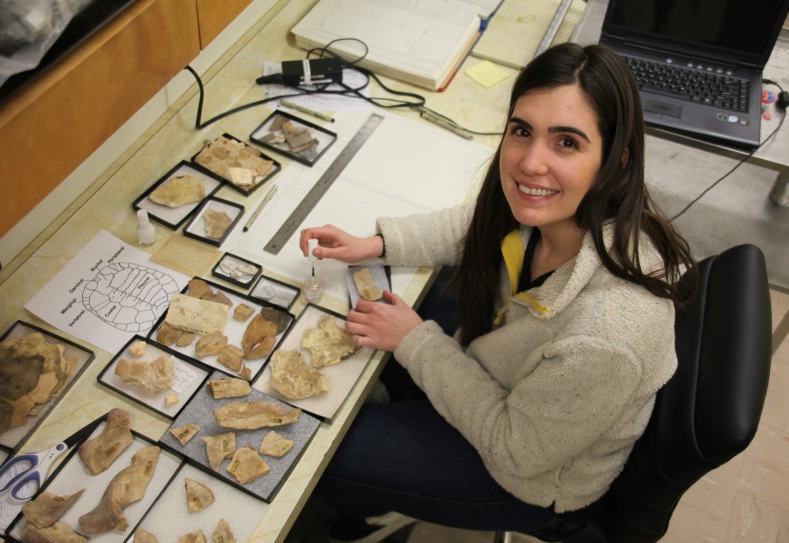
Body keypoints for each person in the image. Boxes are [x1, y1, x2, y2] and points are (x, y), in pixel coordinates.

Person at [297, 42, 697, 543]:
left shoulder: (608, 334)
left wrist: (415, 342)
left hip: (523, 478)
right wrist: (376, 242)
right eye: (522, 131)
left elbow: (516, 450)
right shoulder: (561, 210)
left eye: (567, 143)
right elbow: (479, 222)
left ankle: (375, 512)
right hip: (508, 366)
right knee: (412, 304)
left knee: (320, 454)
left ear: (616, 160)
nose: (530, 163)